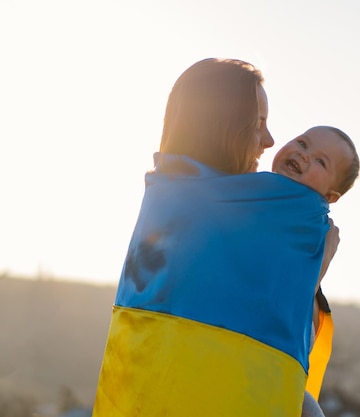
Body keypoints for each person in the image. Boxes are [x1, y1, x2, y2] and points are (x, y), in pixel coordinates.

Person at [92, 58, 341, 417]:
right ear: (223, 127)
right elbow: (259, 317)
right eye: (258, 125)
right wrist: (315, 257)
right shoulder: (256, 214)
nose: (270, 141)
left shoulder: (165, 193)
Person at [272, 125, 360, 417]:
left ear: (330, 196)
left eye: (321, 161)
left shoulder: (314, 226)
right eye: (302, 142)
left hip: (289, 329)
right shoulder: (251, 190)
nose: (304, 155)